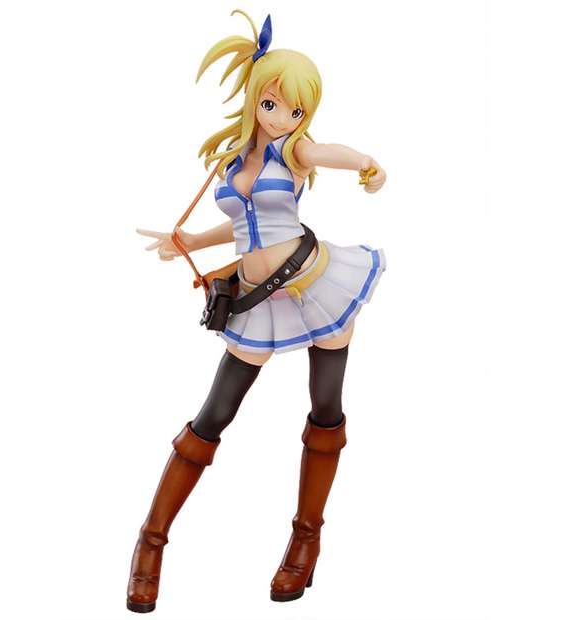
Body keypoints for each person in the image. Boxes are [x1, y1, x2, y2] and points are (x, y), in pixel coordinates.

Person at [128, 10, 387, 612]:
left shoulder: (295, 151)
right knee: (212, 415)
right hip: (257, 302)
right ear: (254, 100)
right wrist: (192, 241)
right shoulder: (233, 162)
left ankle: (305, 540)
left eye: (296, 110)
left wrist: (368, 166)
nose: (283, 117)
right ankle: (150, 541)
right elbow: (244, 227)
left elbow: (328, 150)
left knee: (325, 409)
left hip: (316, 285)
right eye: (273, 105)